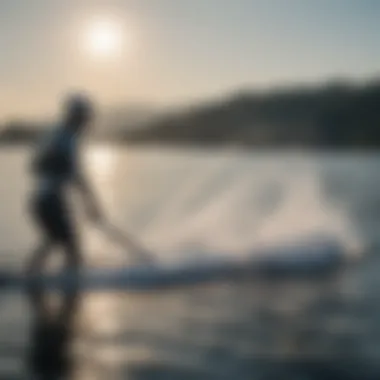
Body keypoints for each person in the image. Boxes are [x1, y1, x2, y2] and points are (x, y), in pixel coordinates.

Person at [26, 93, 104, 279]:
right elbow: (75, 176)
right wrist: (92, 204)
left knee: (58, 241)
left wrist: (90, 204)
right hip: (48, 202)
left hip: (48, 201)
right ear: (75, 117)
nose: (85, 124)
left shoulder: (61, 135)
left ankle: (40, 276)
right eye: (84, 118)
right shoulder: (64, 138)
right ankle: (65, 283)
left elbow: (41, 166)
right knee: (65, 244)